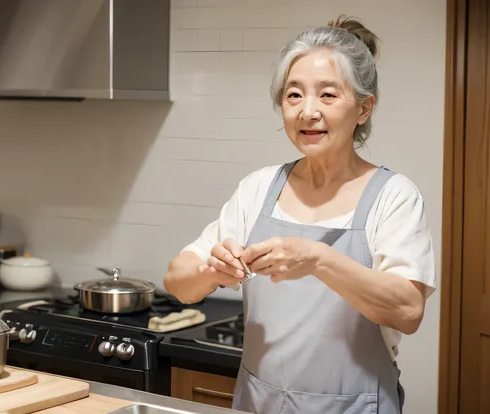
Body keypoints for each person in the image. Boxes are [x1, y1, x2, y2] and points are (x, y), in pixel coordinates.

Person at [163, 16, 436, 414]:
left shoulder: (393, 197)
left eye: (328, 95)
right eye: (294, 95)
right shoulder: (258, 189)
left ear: (364, 107)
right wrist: (212, 272)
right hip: (259, 404)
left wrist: (317, 259)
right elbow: (178, 281)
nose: (308, 111)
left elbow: (408, 310)